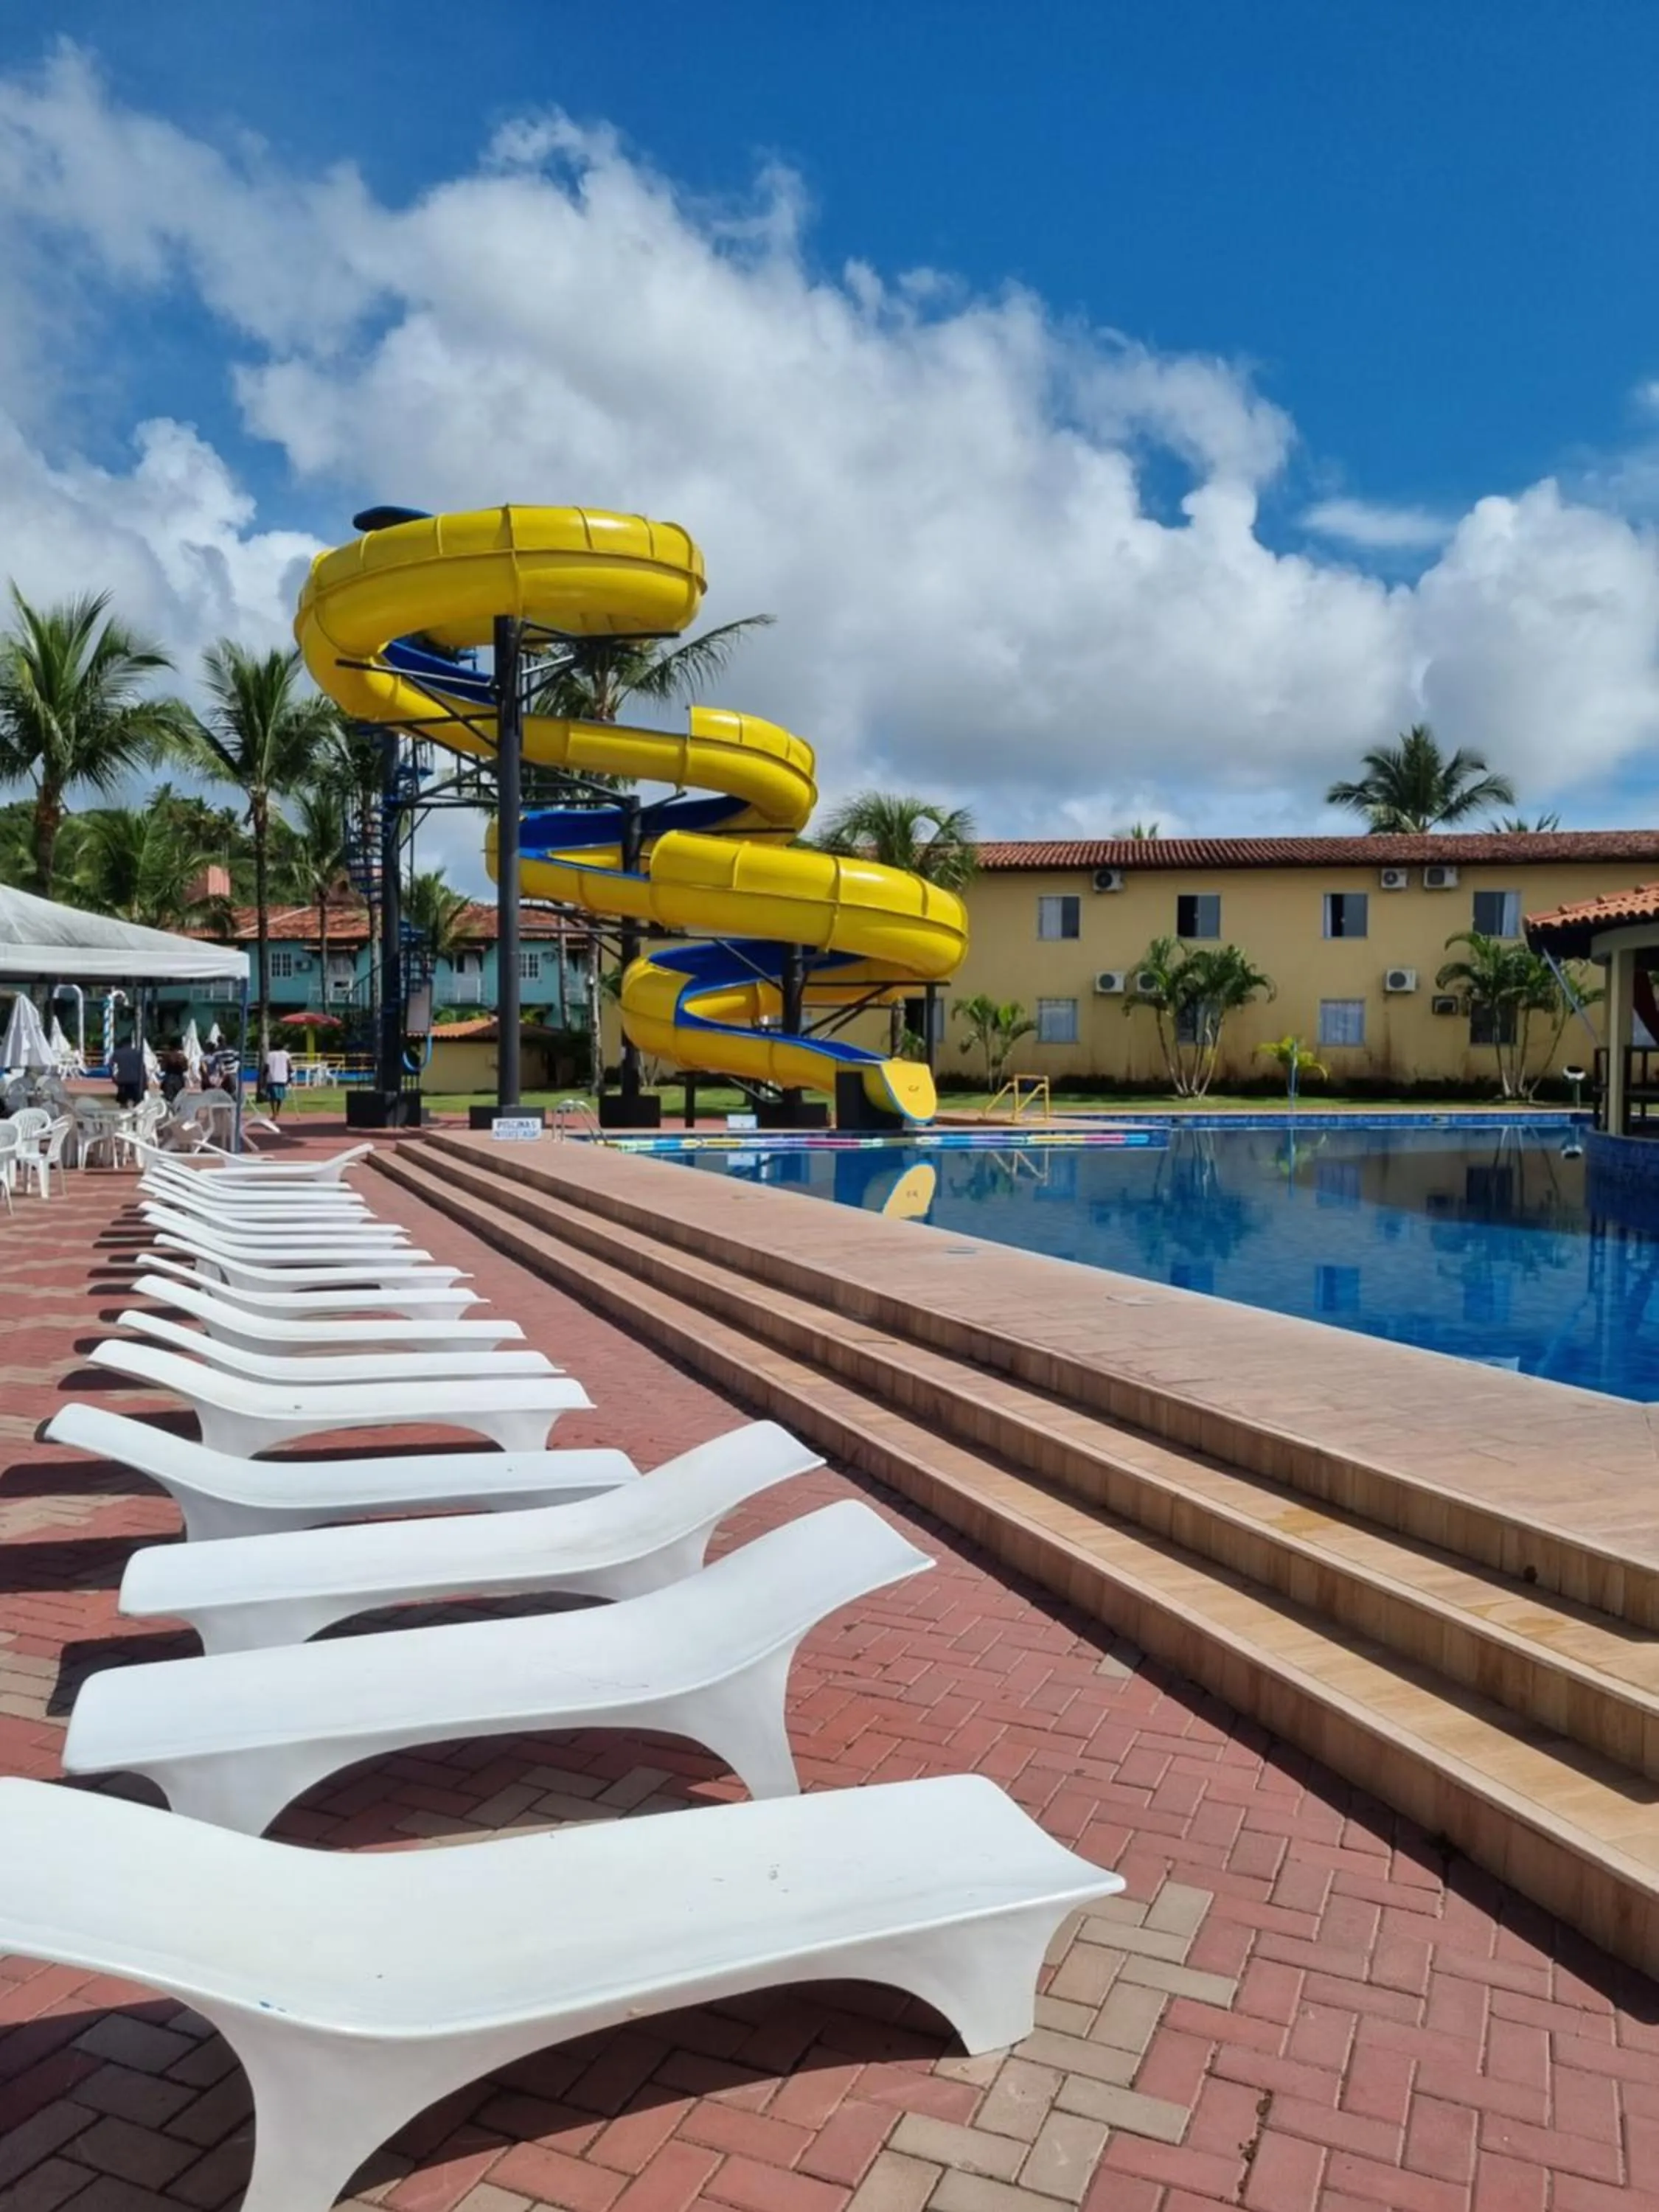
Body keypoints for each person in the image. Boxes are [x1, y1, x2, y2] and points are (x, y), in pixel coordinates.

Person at [108, 1035, 147, 1109]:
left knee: (123, 1101)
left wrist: (115, 1079)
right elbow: (142, 1068)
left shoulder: (117, 1053)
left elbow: (112, 1067)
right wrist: (144, 1082)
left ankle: (124, 1113)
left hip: (123, 1080)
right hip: (136, 1080)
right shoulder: (137, 1053)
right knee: (137, 1101)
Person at [262, 1040, 292, 1119]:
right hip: (282, 1078)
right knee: (280, 1096)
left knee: (272, 1097)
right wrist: (289, 1076)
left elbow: (267, 1067)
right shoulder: (286, 1054)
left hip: (272, 1078)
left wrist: (263, 1074)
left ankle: (274, 1112)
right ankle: (277, 1111)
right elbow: (289, 1066)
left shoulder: (270, 1055)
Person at [159, 1037, 189, 1104]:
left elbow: (162, 1068)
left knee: (169, 1100)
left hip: (169, 1078)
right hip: (179, 1079)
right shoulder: (181, 1057)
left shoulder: (167, 1056)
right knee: (179, 1099)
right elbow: (186, 1068)